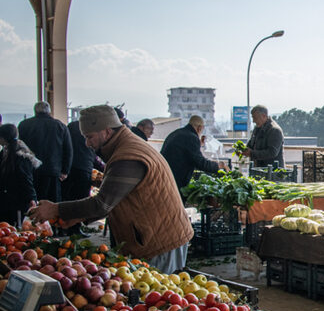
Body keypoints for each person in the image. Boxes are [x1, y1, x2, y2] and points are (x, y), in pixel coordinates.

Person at [28, 105, 193, 273]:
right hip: (154, 234)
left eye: (89, 137)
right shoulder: (125, 147)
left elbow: (102, 204)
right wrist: (79, 217)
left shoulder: (128, 156)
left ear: (106, 131)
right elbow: (115, 199)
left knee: (153, 293)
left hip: (159, 241)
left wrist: (56, 209)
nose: (87, 143)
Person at [17, 101, 72, 202]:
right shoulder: (60, 126)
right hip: (53, 171)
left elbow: (20, 148)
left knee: (33, 202)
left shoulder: (24, 125)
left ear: (35, 111)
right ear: (49, 112)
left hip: (31, 171)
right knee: (52, 204)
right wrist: (65, 170)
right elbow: (68, 150)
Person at [161, 115, 227, 195]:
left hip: (165, 175)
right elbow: (200, 163)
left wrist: (199, 144)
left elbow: (186, 152)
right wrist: (218, 166)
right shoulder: (191, 137)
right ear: (199, 128)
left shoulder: (176, 133)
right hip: (177, 179)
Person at [62, 118, 99, 233]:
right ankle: (75, 228)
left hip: (69, 168)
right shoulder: (91, 131)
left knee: (67, 198)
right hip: (84, 168)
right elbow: (93, 155)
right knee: (81, 200)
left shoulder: (71, 127)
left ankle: (63, 226)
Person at [0, 124, 40, 226]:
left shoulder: (19, 155)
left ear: (3, 138)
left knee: (14, 228)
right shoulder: (7, 151)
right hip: (9, 198)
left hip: (16, 200)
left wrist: (32, 197)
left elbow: (25, 178)